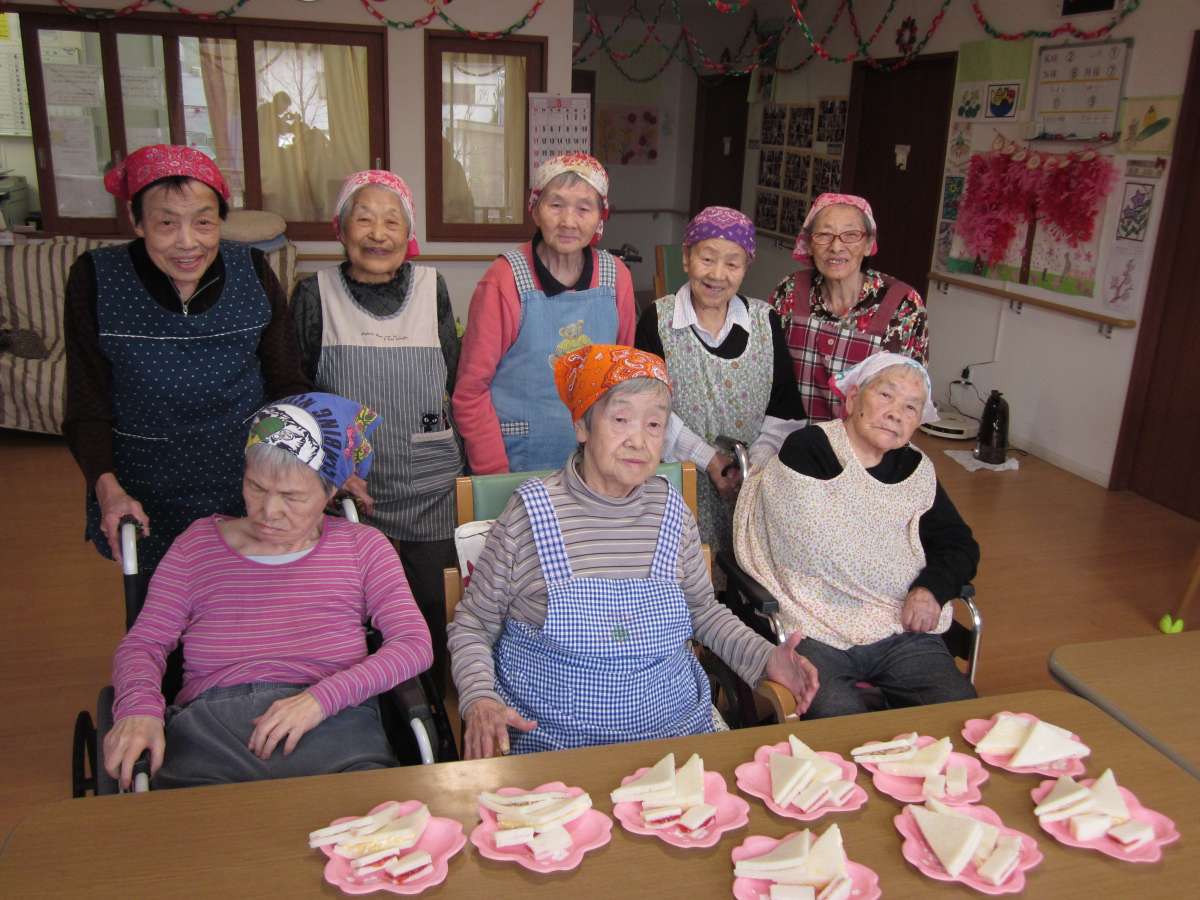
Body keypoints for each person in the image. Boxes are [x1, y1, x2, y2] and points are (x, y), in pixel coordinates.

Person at [447, 345, 820, 758]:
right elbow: (473, 625)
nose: (638, 440)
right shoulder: (529, 514)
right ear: (582, 425)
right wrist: (480, 699)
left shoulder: (671, 509)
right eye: (621, 419)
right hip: (557, 749)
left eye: (654, 424)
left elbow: (703, 611)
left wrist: (767, 659)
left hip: (677, 736)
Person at [102, 393, 433, 790]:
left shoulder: (363, 547)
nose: (269, 511)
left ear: (330, 492)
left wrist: (320, 700)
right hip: (210, 735)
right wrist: (138, 709)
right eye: (256, 487)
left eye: (292, 497)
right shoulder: (196, 547)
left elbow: (414, 644)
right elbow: (144, 643)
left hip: (335, 729)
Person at [63, 144, 309, 582]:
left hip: (249, 485)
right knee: (159, 608)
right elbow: (87, 402)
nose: (187, 242)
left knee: (250, 607)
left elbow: (287, 383)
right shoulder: (98, 278)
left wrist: (321, 465)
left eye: (203, 222)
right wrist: (107, 488)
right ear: (137, 221)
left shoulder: (252, 270)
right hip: (145, 490)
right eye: (166, 223)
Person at [733, 354, 979, 718]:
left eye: (911, 407)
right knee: (840, 719)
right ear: (852, 400)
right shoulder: (810, 448)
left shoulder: (915, 469)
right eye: (885, 395)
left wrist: (930, 590)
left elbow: (959, 544)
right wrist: (893, 572)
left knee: (959, 712)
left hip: (898, 628)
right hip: (814, 623)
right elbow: (812, 551)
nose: (896, 414)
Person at [290, 170, 461, 688]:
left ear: (408, 234)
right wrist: (327, 468)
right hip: (347, 487)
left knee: (433, 602)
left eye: (392, 221)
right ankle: (372, 700)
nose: (378, 234)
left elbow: (454, 376)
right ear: (340, 230)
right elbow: (296, 392)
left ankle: (430, 701)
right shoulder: (314, 293)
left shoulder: (433, 288)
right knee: (356, 607)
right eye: (363, 219)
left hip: (431, 480)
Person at [635, 206, 805, 557]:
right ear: (686, 258)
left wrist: (751, 467)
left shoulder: (765, 321)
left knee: (742, 571)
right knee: (686, 570)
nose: (717, 274)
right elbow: (646, 410)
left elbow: (785, 412)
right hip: (678, 481)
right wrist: (710, 460)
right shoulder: (657, 320)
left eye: (732, 263)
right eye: (707, 259)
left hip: (751, 486)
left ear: (746, 267)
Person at [453, 153, 637, 475]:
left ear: (600, 216)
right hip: (515, 464)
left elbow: (622, 382)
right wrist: (494, 477)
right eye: (556, 205)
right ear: (535, 209)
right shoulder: (504, 279)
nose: (568, 221)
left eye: (584, 208)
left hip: (593, 468)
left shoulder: (616, 277)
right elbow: (471, 392)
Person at [769, 193, 929, 422]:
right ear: (810, 244)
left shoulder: (903, 304)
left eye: (851, 235)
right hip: (788, 438)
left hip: (864, 442)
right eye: (824, 235)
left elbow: (913, 393)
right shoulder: (790, 290)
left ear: (868, 245)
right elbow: (767, 372)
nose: (836, 247)